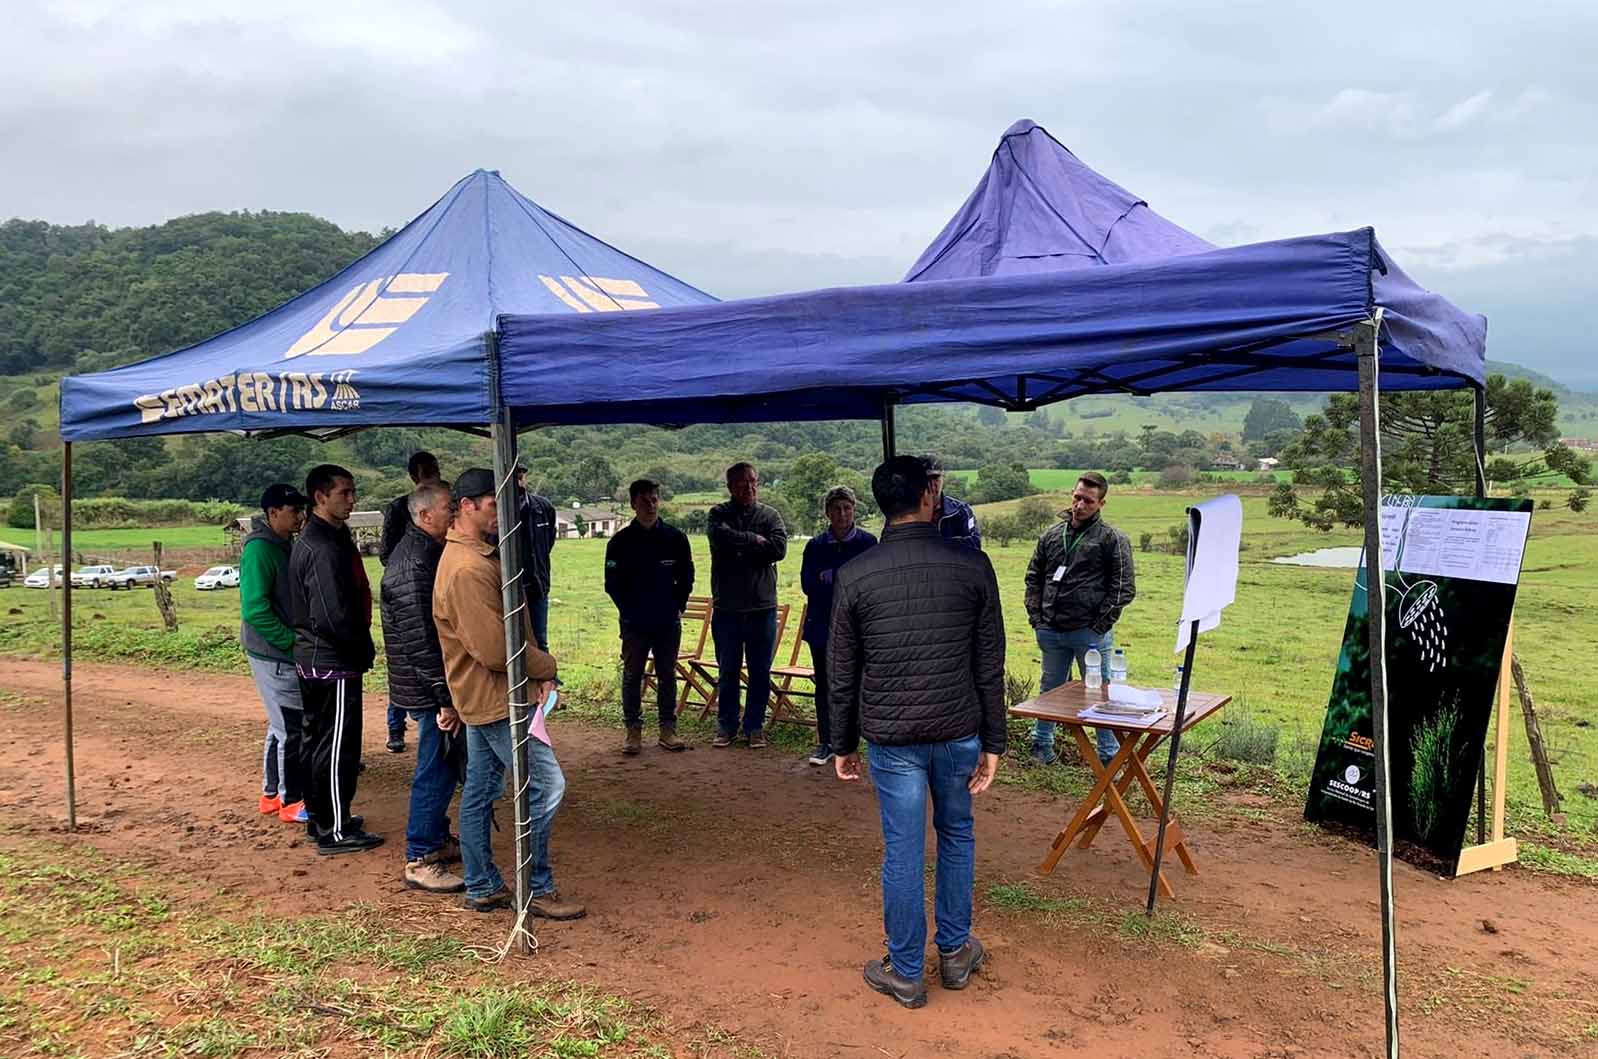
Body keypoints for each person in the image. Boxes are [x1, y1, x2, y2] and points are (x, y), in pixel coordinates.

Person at [830, 455, 1005, 1009]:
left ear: (881, 502)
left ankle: (906, 971)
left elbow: (841, 670)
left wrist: (842, 743)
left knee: (903, 850)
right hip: (958, 731)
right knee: (956, 834)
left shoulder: (856, 573)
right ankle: (954, 951)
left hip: (893, 737)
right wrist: (995, 741)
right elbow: (989, 662)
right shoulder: (972, 565)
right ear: (930, 496)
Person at [434, 468, 585, 918]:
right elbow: (496, 650)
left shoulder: (477, 555)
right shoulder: (467, 568)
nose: (503, 512)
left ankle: (482, 884)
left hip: (485, 695)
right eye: (493, 503)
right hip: (497, 696)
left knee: (481, 789)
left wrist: (536, 670)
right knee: (547, 784)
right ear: (466, 506)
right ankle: (535, 886)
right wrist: (547, 667)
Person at [289, 464, 383, 855]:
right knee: (337, 747)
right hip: (332, 660)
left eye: (353, 492)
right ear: (320, 497)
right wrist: (360, 646)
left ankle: (323, 818)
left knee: (318, 742)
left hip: (318, 656)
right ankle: (334, 830)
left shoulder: (326, 537)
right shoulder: (322, 548)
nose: (352, 500)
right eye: (344, 492)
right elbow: (332, 616)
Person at [380, 481, 464, 893]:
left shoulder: (426, 551)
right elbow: (422, 642)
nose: (455, 513)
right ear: (425, 515)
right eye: (449, 507)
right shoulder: (413, 564)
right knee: (436, 765)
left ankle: (436, 837)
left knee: (443, 763)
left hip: (428, 684)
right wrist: (444, 697)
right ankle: (420, 855)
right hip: (427, 687)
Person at [1024, 471, 1137, 767]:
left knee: (1100, 694)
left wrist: (1099, 625)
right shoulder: (1051, 535)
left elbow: (1123, 588)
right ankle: (1041, 745)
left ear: (1101, 504)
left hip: (1089, 633)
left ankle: (1109, 755)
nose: (1080, 505)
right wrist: (1037, 619)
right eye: (1077, 497)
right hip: (1051, 630)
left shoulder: (1112, 539)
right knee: (1050, 688)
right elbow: (1033, 578)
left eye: (1088, 500)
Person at [604, 478, 694, 755]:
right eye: (645, 501)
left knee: (667, 675)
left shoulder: (675, 538)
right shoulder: (620, 542)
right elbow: (612, 583)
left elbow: (687, 576)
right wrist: (628, 611)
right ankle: (633, 731)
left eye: (654, 499)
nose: (651, 505)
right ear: (633, 504)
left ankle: (668, 730)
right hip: (634, 623)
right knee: (633, 676)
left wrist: (679, 605)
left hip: (667, 620)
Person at [706, 461, 788, 749]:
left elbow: (779, 549)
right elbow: (720, 538)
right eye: (742, 482)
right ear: (730, 486)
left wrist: (738, 545)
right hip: (727, 608)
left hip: (761, 608)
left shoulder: (770, 515)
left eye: (753, 481)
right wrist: (754, 539)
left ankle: (754, 727)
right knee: (728, 670)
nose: (749, 487)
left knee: (760, 671)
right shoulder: (718, 514)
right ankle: (726, 726)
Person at [240, 483, 309, 824]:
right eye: (293, 510)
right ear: (273, 513)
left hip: (275, 651)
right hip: (275, 654)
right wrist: (289, 641)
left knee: (279, 723)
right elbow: (255, 608)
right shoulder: (260, 550)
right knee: (291, 727)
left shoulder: (282, 543)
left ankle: (271, 795)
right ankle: (291, 801)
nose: (300, 516)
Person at [797, 486, 876, 766]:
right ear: (827, 513)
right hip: (822, 628)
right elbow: (808, 584)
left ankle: (852, 742)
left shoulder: (868, 543)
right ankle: (826, 742)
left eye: (847, 508)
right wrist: (844, 580)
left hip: (858, 628)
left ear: (854, 510)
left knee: (856, 684)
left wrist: (831, 578)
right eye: (836, 509)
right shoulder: (815, 546)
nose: (842, 514)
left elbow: (871, 586)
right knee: (825, 685)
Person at [380, 451, 444, 752]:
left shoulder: (440, 501)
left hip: (421, 579)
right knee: (412, 653)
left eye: (435, 468)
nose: (433, 474)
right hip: (408, 585)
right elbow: (386, 552)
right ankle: (395, 727)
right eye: (427, 470)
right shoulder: (399, 509)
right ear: (415, 476)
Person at [514, 465, 558, 653]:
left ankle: (544, 672)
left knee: (540, 641)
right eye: (513, 479)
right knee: (510, 641)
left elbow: (548, 543)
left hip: (537, 586)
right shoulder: (495, 511)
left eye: (520, 477)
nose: (518, 483)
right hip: (507, 589)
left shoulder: (543, 507)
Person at [922, 455, 981, 551]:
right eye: (926, 479)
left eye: (936, 479)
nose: (932, 485)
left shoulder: (961, 511)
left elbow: (975, 543)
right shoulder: (908, 512)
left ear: (943, 479)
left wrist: (937, 545)